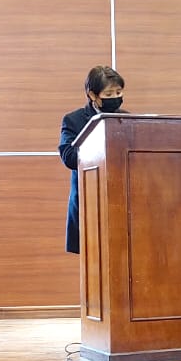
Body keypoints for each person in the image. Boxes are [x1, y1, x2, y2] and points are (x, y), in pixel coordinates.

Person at [59, 66, 124, 255]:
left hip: (121, 203)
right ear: (92, 95)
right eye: (109, 94)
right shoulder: (74, 120)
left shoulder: (127, 119)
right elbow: (69, 158)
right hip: (89, 204)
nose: (115, 97)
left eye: (118, 92)